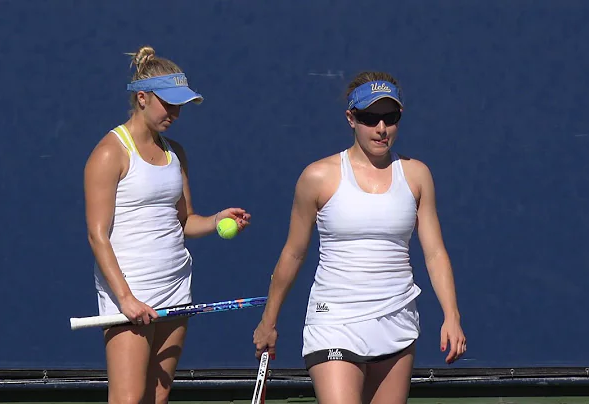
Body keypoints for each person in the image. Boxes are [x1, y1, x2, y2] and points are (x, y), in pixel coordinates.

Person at [252, 71, 466, 403]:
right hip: (333, 317)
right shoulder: (317, 177)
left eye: (389, 118)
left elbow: (435, 253)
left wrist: (451, 316)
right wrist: (269, 321)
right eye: (370, 118)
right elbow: (293, 253)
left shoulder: (417, 175)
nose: (381, 128)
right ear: (351, 119)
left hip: (397, 319)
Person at [84, 45, 251, 404]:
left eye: (180, 105)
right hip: (131, 293)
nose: (175, 113)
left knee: (157, 399)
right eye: (168, 103)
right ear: (141, 98)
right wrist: (125, 299)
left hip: (175, 287)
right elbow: (97, 236)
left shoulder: (175, 152)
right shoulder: (109, 153)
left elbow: (185, 221)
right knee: (128, 400)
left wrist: (217, 220)